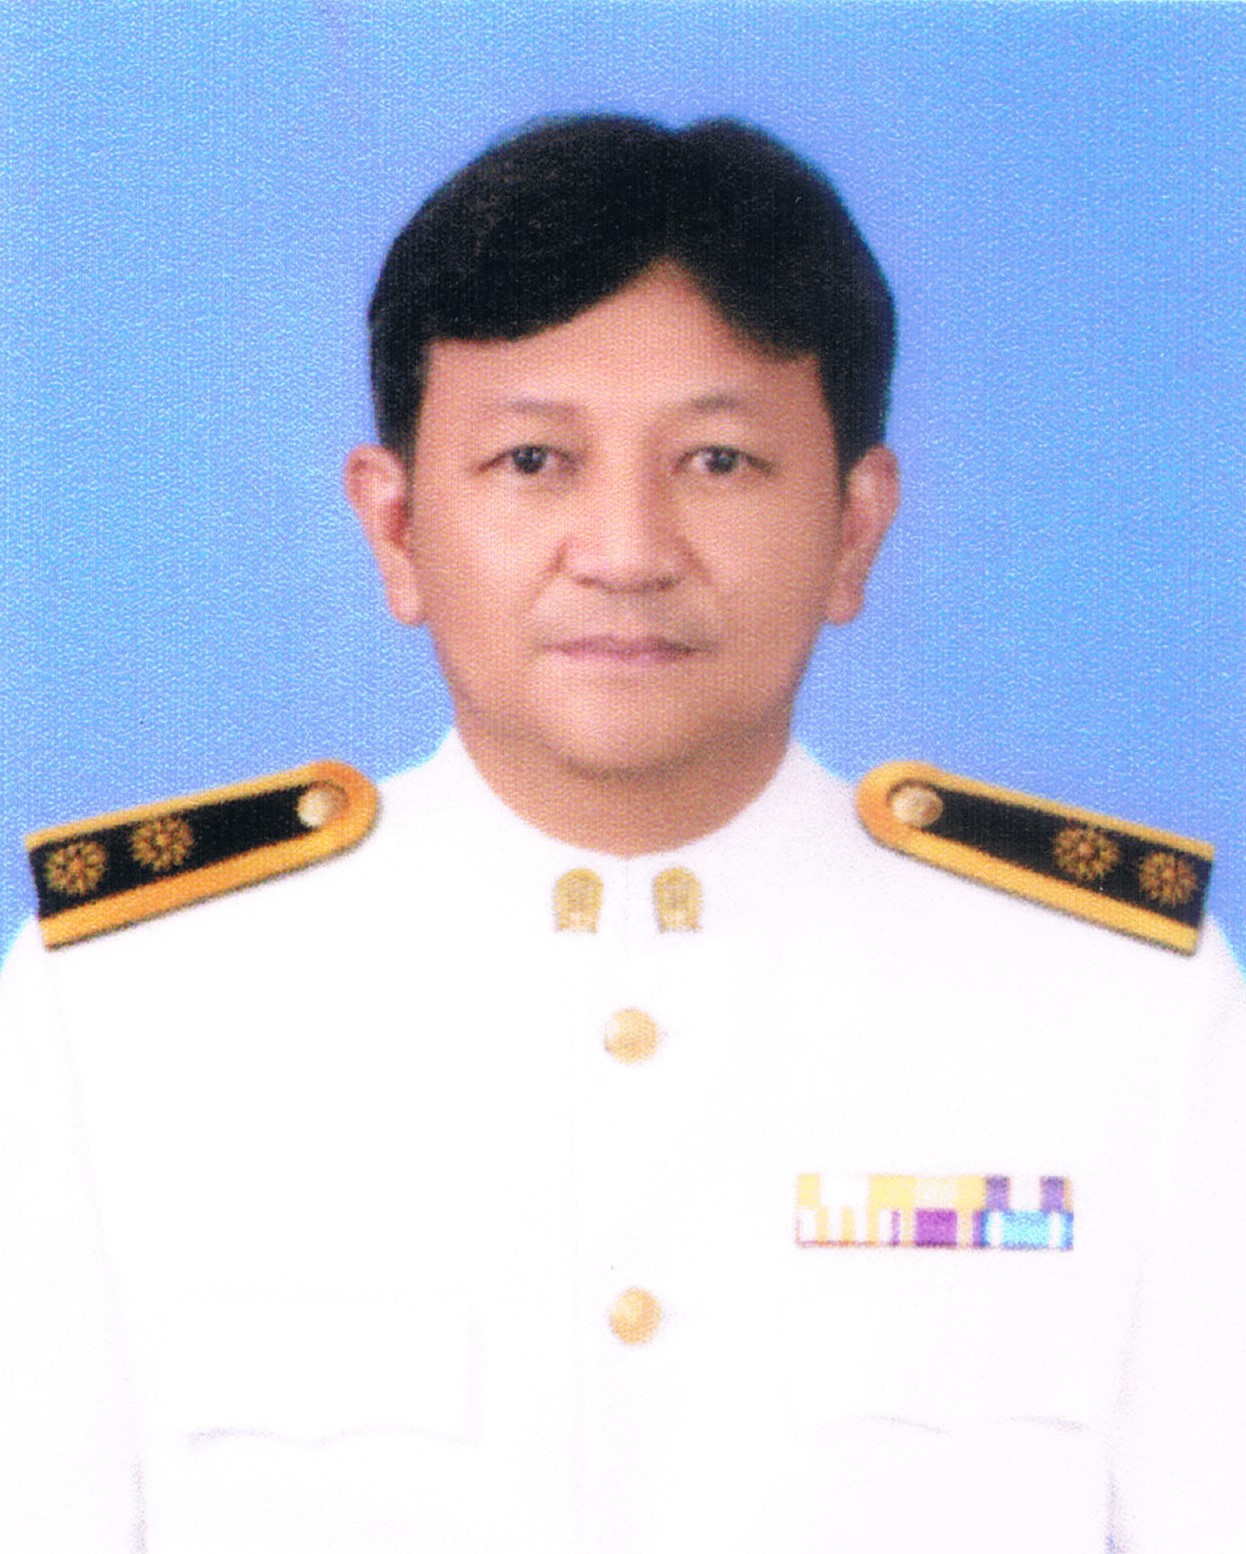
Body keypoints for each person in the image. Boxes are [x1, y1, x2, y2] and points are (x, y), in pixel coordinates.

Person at [1, 114, 1243, 1554]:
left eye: (718, 460)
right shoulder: (120, 1007)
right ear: (395, 528)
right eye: (533, 459)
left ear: (855, 527)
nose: (628, 551)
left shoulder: (1120, 1007)